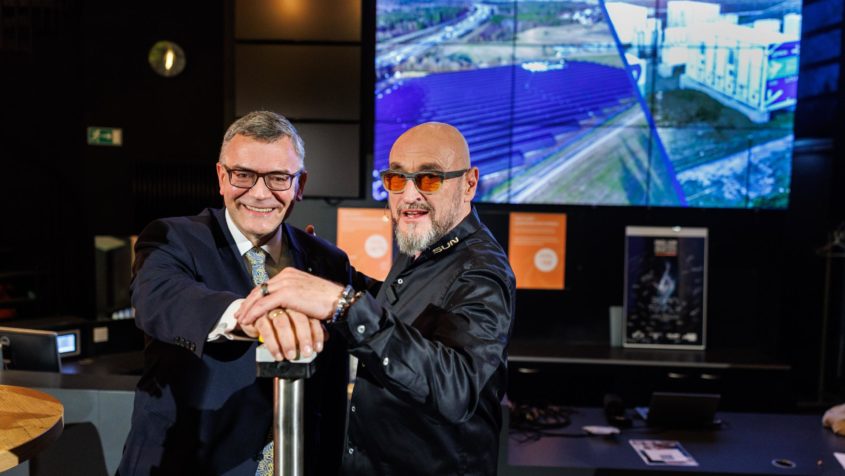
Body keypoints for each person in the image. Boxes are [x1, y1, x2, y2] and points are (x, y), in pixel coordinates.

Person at [237, 122, 516, 475]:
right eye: (397, 179)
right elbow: (399, 309)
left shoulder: (481, 270)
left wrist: (343, 304)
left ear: (469, 184)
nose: (409, 196)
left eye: (429, 179)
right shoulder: (426, 245)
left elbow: (457, 387)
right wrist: (330, 272)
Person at [119, 111, 359, 476]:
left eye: (278, 178)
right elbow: (160, 297)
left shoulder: (328, 260)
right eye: (243, 175)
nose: (260, 193)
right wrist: (252, 316)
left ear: (300, 184)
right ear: (221, 177)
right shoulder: (172, 239)